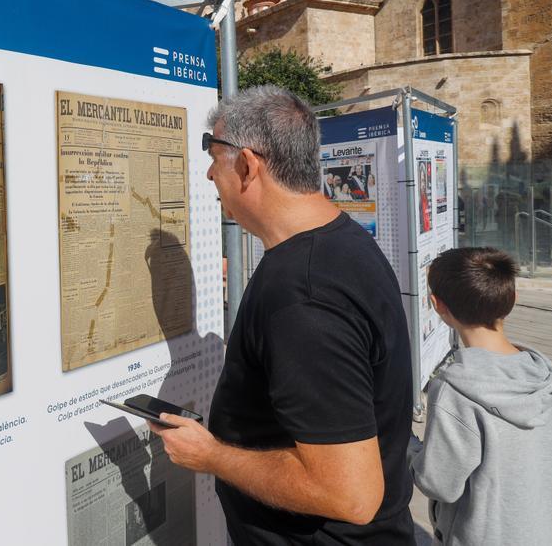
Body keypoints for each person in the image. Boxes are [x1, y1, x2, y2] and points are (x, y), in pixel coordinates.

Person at [150, 85, 414, 543]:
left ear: (249, 165)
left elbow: (350, 494)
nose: (210, 174)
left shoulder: (304, 296)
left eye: (214, 156)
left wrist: (211, 455)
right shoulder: (338, 243)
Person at [410, 247, 552, 544]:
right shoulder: (545, 379)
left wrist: (410, 449)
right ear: (512, 299)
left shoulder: (455, 390)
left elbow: (439, 482)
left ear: (437, 305)